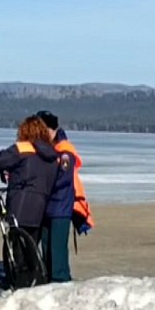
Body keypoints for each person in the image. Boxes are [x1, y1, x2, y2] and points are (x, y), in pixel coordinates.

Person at [36, 110, 93, 283]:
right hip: (47, 206)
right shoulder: (49, 148)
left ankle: (61, 282)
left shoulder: (64, 149)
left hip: (60, 206)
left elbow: (63, 178)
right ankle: (49, 281)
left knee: (57, 250)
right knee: (47, 248)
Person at [0, 116, 59, 241]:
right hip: (41, 207)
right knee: (31, 249)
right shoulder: (51, 154)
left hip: (20, 204)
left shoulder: (23, 148)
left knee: (16, 250)